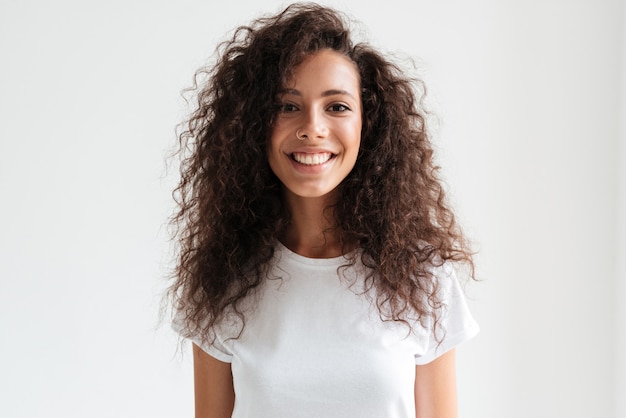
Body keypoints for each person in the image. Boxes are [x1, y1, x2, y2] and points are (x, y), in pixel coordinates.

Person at [167, 3, 479, 417]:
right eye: (286, 106)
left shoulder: (422, 277)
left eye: (337, 106)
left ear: (368, 125)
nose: (312, 127)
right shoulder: (223, 278)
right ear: (252, 125)